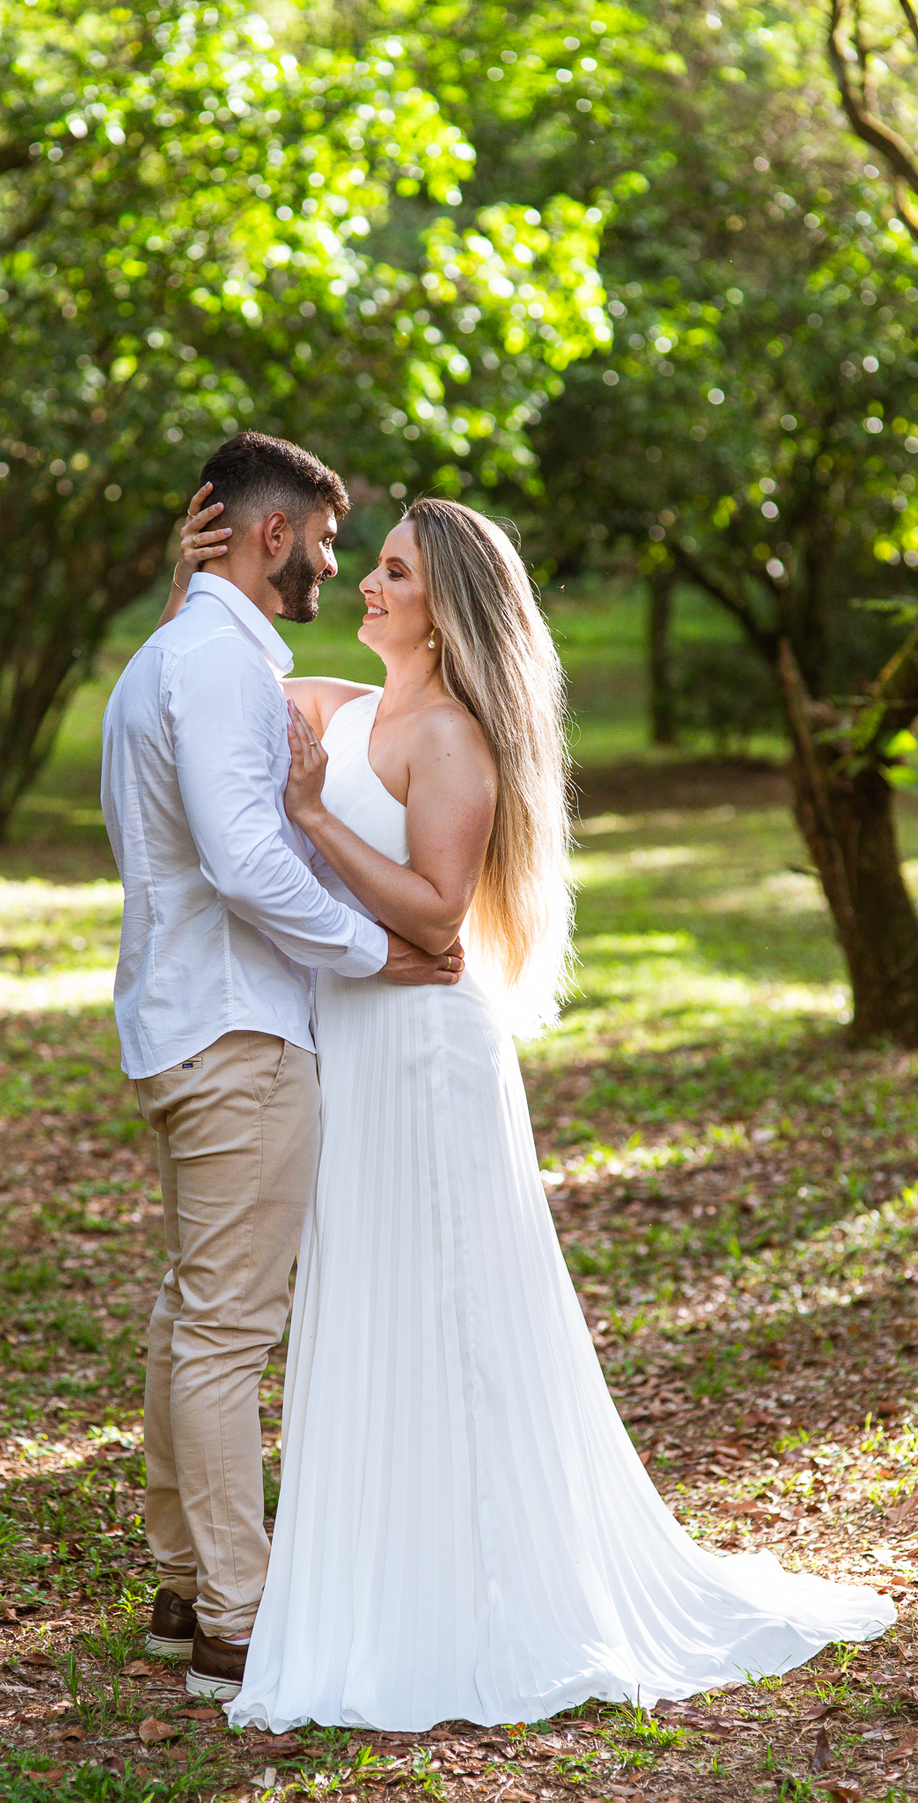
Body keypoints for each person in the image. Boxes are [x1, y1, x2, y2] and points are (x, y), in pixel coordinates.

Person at [172, 487, 894, 1733]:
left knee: (449, 1309)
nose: (367, 584)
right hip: (358, 1040)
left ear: (442, 610)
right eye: (375, 566)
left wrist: (301, 818)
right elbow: (221, 670)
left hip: (421, 1050)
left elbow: (440, 914)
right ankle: (383, 1569)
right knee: (373, 1304)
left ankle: (478, 1588)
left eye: (391, 571)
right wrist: (202, 576)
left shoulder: (447, 735)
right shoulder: (348, 711)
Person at [99, 433, 462, 1704]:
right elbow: (249, 862)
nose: (334, 559)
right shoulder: (212, 661)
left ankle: (182, 1584)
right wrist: (377, 953)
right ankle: (234, 1622)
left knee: (190, 1316)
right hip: (238, 1033)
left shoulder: (189, 650)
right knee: (222, 1331)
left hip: (190, 1019)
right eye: (321, 534)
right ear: (269, 537)